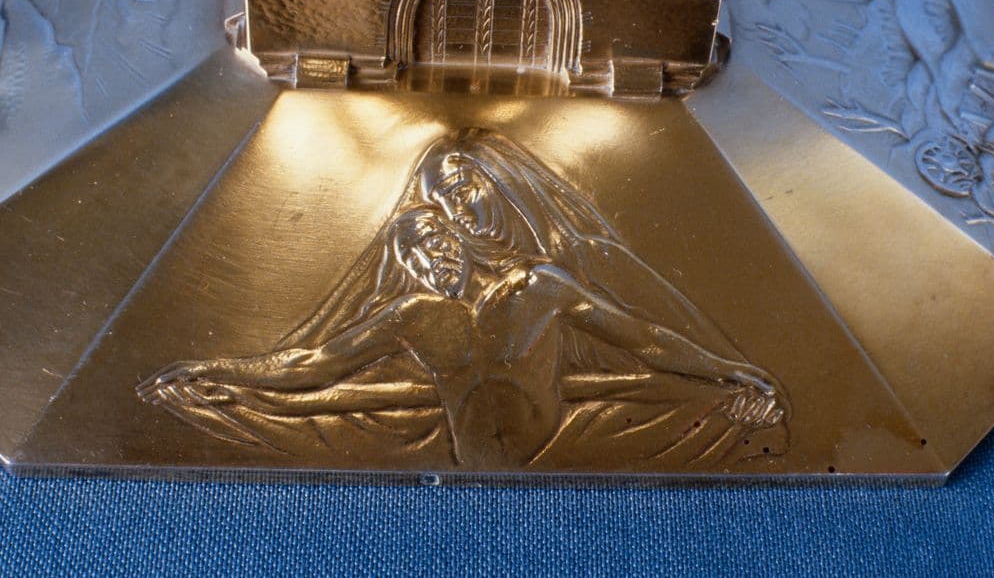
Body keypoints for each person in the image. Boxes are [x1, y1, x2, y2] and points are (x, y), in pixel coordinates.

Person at [140, 207, 787, 470]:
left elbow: (642, 338)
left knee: (715, 405)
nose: (432, 260)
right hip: (467, 480)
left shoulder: (538, 287)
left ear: (461, 240)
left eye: (437, 242)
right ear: (408, 270)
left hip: (574, 459)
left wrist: (726, 368)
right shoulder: (413, 317)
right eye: (416, 256)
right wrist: (220, 372)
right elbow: (314, 366)